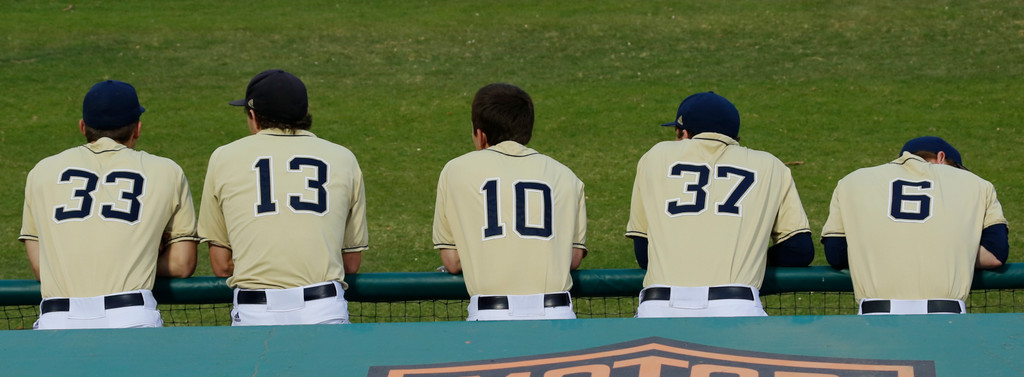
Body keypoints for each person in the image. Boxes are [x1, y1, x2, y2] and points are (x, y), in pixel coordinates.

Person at [18, 80, 198, 329]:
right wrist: (136, 254)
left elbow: (42, 268)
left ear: (83, 127)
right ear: (137, 129)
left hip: (58, 321)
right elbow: (182, 264)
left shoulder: (42, 172)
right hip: (131, 318)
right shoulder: (167, 171)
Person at [198, 69, 368, 326]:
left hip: (255, 314)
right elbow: (351, 262)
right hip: (323, 311)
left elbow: (222, 265)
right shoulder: (343, 158)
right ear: (305, 114)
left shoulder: (223, 158)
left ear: (253, 117)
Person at [625, 91, 814, 318]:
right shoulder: (771, 166)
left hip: (660, 307)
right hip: (736, 308)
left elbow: (643, 254)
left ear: (683, 133)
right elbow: (800, 250)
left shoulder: (655, 157)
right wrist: (750, 255)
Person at [433, 83, 587, 321]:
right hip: (556, 314)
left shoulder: (455, 171)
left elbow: (452, 262)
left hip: (491, 316)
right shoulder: (566, 176)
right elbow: (573, 258)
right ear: (527, 131)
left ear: (481, 135)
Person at [821, 136, 1009, 315]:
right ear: (941, 158)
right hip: (946, 315)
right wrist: (948, 254)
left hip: (876, 315)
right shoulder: (977, 184)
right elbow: (994, 255)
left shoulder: (851, 182)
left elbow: (835, 254)